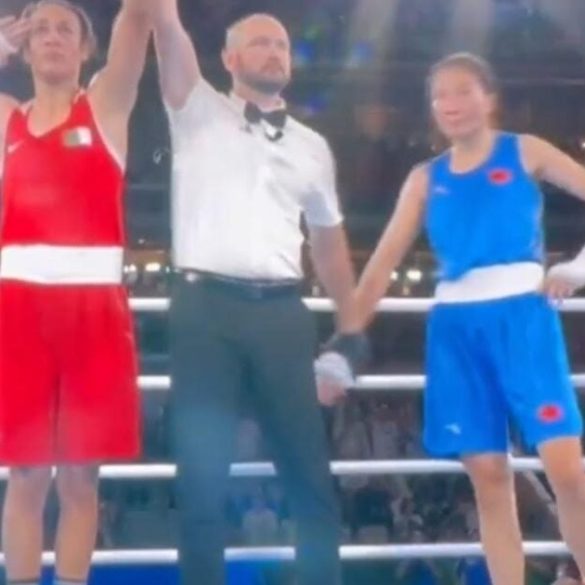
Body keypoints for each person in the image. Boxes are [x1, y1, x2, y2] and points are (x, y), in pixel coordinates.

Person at [147, 3, 365, 584]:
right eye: (261, 42)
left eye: (282, 45)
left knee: (310, 477)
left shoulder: (313, 146)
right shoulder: (194, 106)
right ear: (229, 58)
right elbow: (165, 26)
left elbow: (328, 243)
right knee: (201, 483)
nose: (274, 52)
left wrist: (351, 331)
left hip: (282, 315)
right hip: (204, 313)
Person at [351, 52, 585, 585]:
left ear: (489, 97)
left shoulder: (524, 150)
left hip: (524, 320)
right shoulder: (424, 179)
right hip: (455, 330)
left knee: (568, 470)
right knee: (488, 478)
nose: (450, 104)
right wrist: (347, 338)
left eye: (462, 91)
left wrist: (578, 268)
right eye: (440, 95)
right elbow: (382, 262)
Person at [0, 2, 154, 584]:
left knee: (80, 478)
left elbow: (136, 24)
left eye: (66, 29)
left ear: (86, 48)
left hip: (94, 312)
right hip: (18, 310)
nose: (53, 38)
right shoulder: (6, 119)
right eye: (40, 29)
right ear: (25, 47)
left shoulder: (105, 106)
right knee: (24, 476)